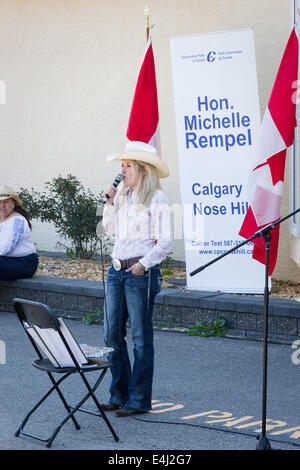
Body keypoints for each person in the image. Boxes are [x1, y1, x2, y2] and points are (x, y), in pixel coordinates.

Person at [101, 141, 172, 417]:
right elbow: (109, 230)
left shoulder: (156, 197)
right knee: (111, 334)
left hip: (139, 273)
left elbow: (164, 242)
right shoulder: (122, 196)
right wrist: (109, 203)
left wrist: (143, 265)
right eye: (122, 165)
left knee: (141, 337)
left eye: (127, 166)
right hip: (116, 271)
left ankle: (139, 399)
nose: (122, 170)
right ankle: (119, 394)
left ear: (142, 169)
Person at [0, 185, 38, 281]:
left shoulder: (17, 220)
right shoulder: (2, 219)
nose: (2, 206)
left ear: (13, 204)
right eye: (0, 202)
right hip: (6, 260)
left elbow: (5, 248)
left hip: (24, 262)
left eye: (6, 202)